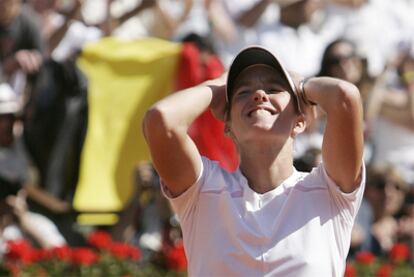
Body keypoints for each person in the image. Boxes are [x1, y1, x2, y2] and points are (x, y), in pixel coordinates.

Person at [143, 45, 365, 276]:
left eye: (273, 88)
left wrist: (302, 86)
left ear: (300, 121)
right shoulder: (202, 190)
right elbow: (160, 120)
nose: (259, 95)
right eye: (243, 92)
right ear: (227, 125)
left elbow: (345, 97)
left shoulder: (328, 191)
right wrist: (218, 84)